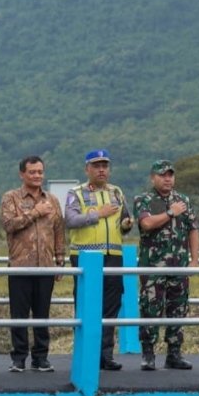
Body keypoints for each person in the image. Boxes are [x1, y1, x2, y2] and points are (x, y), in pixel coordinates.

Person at [64, 149, 133, 371]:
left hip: (113, 256)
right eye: (96, 166)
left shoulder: (116, 192)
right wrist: (98, 214)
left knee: (111, 307)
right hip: (86, 257)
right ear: (87, 169)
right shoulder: (76, 193)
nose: (101, 170)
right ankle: (86, 354)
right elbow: (70, 220)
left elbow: (125, 220)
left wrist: (127, 225)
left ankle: (106, 355)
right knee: (86, 306)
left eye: (105, 166)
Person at [1, 156, 66, 373]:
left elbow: (59, 231)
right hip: (20, 265)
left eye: (40, 172)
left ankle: (41, 357)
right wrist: (35, 213)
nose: (37, 176)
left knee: (42, 314)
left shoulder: (52, 200)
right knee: (19, 314)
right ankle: (19, 357)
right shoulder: (11, 198)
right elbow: (9, 225)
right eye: (32, 172)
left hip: (46, 266)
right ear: (22, 174)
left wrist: (60, 259)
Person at [134, 159, 199, 371]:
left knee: (178, 309)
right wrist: (170, 212)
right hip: (153, 267)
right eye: (162, 175)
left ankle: (174, 353)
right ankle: (148, 353)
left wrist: (194, 260)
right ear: (153, 178)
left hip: (178, 266)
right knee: (150, 309)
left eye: (170, 175)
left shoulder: (183, 200)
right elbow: (146, 224)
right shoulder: (144, 200)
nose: (167, 179)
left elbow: (193, 229)